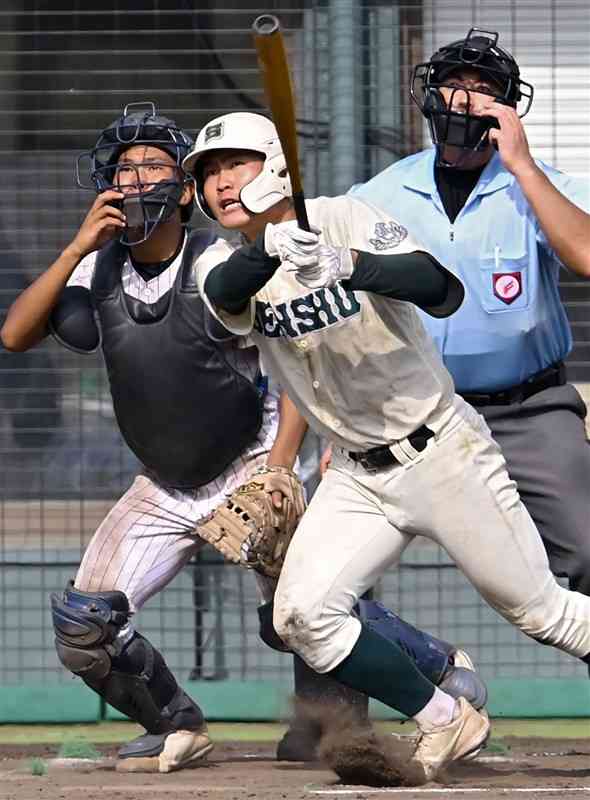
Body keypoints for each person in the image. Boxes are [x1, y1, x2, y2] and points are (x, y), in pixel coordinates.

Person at [0, 103, 485, 773]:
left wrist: (278, 471)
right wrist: (77, 246)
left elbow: (292, 363)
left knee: (301, 614)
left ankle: (438, 668)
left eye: (150, 166)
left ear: (181, 186)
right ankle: (176, 724)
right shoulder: (98, 269)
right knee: (84, 625)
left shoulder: (223, 260)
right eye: (122, 168)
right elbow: (16, 334)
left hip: (249, 461)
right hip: (165, 483)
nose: (134, 178)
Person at [183, 109, 590, 785]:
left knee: (544, 613)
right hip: (354, 474)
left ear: (275, 167)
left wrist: (350, 263)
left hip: (441, 450)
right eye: (209, 173)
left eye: (235, 164)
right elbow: (227, 295)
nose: (221, 183)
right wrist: (270, 250)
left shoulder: (346, 216)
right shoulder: (222, 262)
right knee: (302, 616)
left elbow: (442, 289)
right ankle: (443, 717)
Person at [350, 29, 590, 599]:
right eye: (454, 85)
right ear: (429, 97)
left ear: (507, 108)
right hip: (412, 414)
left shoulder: (537, 182)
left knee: (588, 548)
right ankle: (410, 675)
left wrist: (524, 167)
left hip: (529, 408)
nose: (466, 100)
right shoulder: (381, 193)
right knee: (328, 573)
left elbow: (586, 255)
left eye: (485, 90)